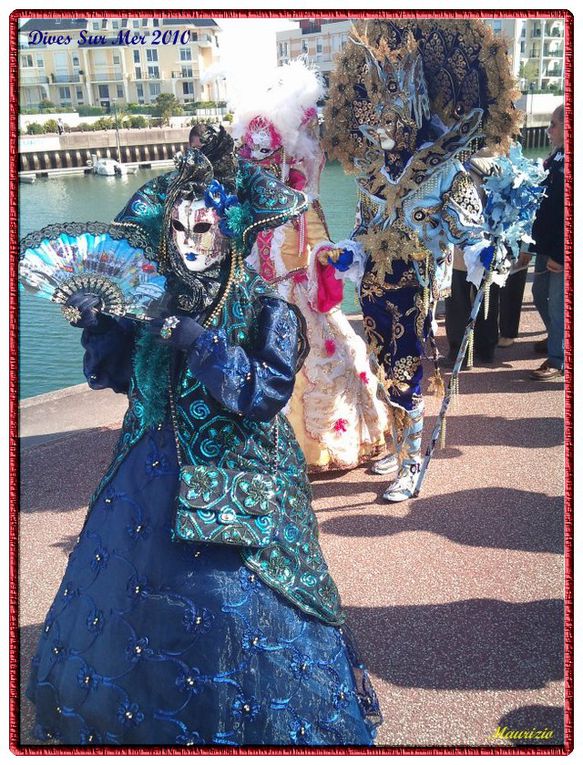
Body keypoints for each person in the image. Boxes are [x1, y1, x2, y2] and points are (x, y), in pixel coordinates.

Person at [25, 139, 381, 745]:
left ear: (233, 232)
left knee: (228, 610)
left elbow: (261, 393)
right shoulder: (146, 303)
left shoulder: (269, 311)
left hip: (240, 478)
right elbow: (116, 378)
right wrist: (101, 323)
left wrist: (198, 340)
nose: (191, 243)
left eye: (206, 228)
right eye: (180, 228)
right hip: (144, 482)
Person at [321, 20, 521, 501]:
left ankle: (411, 462)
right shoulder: (370, 171)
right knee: (378, 362)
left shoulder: (444, 167)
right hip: (372, 283)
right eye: (373, 118)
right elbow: (362, 228)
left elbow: (467, 230)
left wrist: (484, 252)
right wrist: (345, 252)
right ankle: (392, 445)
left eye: (389, 116)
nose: (379, 127)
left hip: (416, 279)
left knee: (408, 367)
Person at [233, 61, 390, 472]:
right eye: (254, 155)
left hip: (300, 290)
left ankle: (324, 445)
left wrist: (324, 259)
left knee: (330, 356)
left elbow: (315, 239)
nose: (260, 164)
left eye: (267, 155)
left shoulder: (303, 198)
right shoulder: (250, 204)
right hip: (262, 291)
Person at [527, 104, 565, 381]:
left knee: (557, 304)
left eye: (553, 124)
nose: (548, 129)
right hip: (545, 243)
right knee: (539, 294)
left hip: (560, 248)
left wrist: (562, 255)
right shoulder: (556, 157)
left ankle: (557, 358)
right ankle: (557, 337)